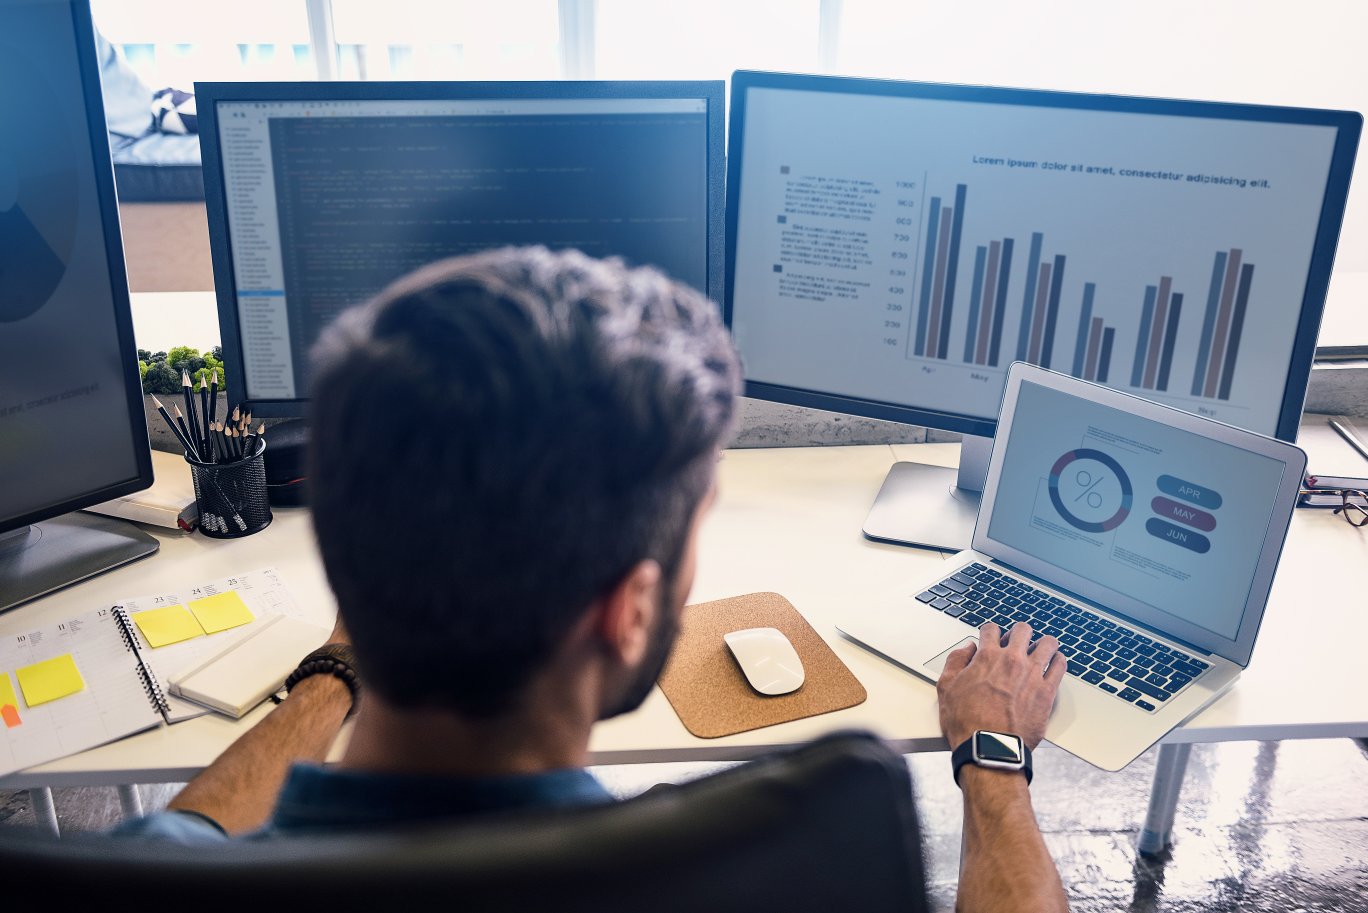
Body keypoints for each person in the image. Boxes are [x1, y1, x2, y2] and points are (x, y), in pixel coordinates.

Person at [114, 247, 1068, 912]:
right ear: (632, 610)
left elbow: (190, 843)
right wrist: (992, 765)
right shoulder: (753, 888)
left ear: (346, 569)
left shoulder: (127, 882)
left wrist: (334, 673)